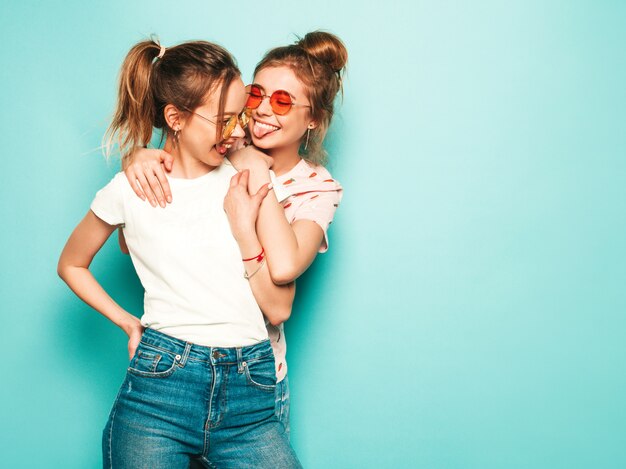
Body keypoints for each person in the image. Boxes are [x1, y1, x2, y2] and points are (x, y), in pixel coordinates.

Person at [57, 38, 301, 468]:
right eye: (224, 121)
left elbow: (280, 304)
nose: (239, 132)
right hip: (160, 392)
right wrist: (128, 323)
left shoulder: (248, 177)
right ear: (176, 118)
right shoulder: (132, 187)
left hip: (250, 392)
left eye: (239, 117)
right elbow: (72, 264)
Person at [123, 31, 348, 436]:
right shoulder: (219, 146)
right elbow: (139, 235)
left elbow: (284, 268)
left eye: (283, 101)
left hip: (257, 378)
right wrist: (138, 157)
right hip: (176, 368)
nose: (262, 109)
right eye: (255, 93)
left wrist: (254, 171)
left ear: (313, 117)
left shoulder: (315, 187)